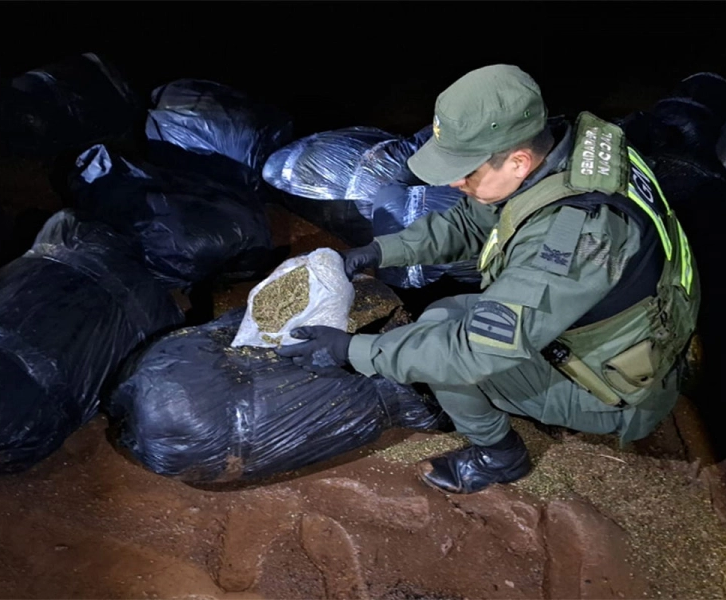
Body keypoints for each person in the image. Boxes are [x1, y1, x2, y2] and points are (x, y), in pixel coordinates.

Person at [275, 64, 701, 495]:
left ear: (518, 161)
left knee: (441, 350)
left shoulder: (572, 240)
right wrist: (379, 251)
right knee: (442, 317)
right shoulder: (567, 154)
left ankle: (500, 457)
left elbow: (469, 354)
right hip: (620, 338)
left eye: (467, 171)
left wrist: (351, 350)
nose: (454, 182)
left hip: (610, 389)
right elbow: (471, 222)